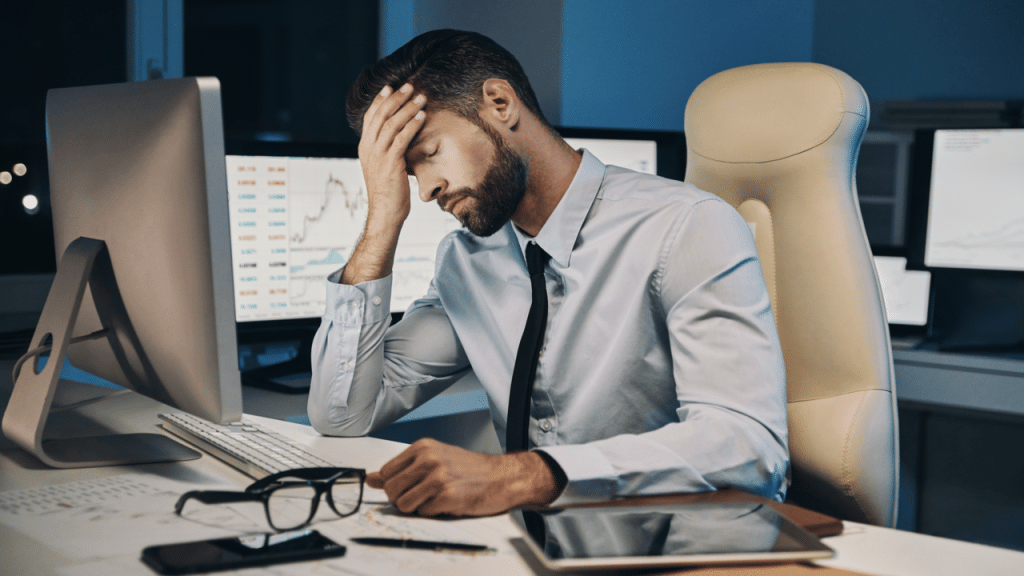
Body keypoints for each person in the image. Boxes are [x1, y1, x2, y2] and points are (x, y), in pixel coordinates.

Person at [307, 29, 788, 518]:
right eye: (409, 174)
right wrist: (382, 221)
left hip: (673, 538)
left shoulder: (686, 226)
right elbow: (344, 414)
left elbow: (749, 444)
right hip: (532, 543)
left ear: (500, 103)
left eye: (429, 153)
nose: (427, 190)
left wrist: (529, 474)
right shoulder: (467, 262)